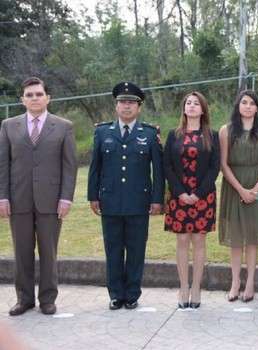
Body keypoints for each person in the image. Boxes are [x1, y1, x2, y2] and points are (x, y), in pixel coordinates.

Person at [0, 77, 78, 316]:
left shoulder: (63, 126)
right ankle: (24, 299)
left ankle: (47, 299)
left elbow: (70, 166)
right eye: (29, 95)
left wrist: (66, 198)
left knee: (48, 250)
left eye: (38, 94)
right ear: (22, 99)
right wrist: (3, 197)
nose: (34, 98)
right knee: (21, 251)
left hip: (51, 200)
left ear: (48, 98)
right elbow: (3, 164)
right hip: (18, 198)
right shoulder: (8, 126)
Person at [87, 82, 164, 310]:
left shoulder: (149, 134)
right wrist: (93, 196)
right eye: (122, 102)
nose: (126, 106)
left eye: (131, 102)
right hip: (109, 201)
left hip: (139, 202)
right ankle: (115, 294)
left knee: (136, 249)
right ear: (116, 105)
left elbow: (157, 171)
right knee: (113, 249)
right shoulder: (102, 132)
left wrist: (157, 199)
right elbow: (95, 168)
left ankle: (132, 294)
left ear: (139, 107)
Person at [163, 91, 220, 309]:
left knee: (198, 242)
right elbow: (166, 165)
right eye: (188, 103)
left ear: (203, 109)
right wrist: (180, 192)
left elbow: (215, 167)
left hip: (203, 198)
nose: (192, 106)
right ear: (184, 108)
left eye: (196, 103)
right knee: (182, 241)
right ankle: (183, 287)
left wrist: (198, 194)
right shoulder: (173, 135)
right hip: (179, 197)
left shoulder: (211, 136)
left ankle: (196, 288)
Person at [219, 90, 258, 303]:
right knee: (236, 238)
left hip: (257, 185)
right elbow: (223, 164)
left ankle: (250, 282)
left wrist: (256, 188)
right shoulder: (226, 130)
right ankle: (235, 282)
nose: (248, 106)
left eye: (252, 103)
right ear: (238, 105)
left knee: (252, 238)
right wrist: (241, 190)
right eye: (244, 102)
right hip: (234, 186)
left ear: (257, 107)